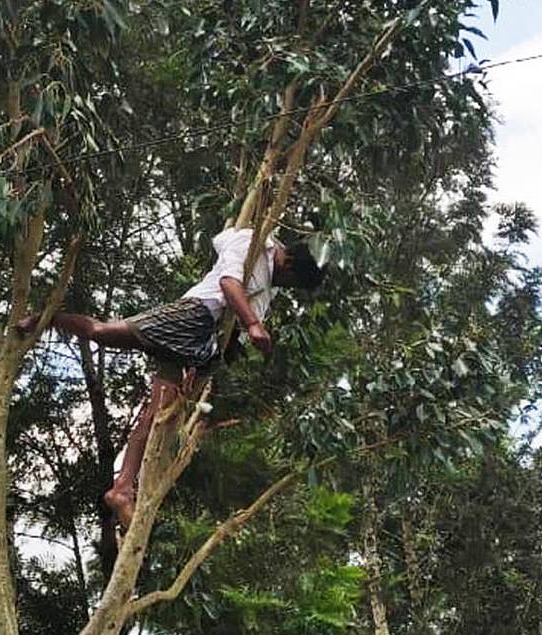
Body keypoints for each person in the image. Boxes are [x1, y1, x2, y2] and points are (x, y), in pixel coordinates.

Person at [18, 226, 325, 529]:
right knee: (103, 332)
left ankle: (122, 488)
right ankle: (46, 319)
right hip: (194, 316)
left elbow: (235, 334)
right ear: (289, 264)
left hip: (204, 345)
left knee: (156, 416)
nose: (284, 286)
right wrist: (254, 324)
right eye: (290, 282)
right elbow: (229, 282)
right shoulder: (253, 243)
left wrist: (209, 363)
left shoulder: (266, 284)